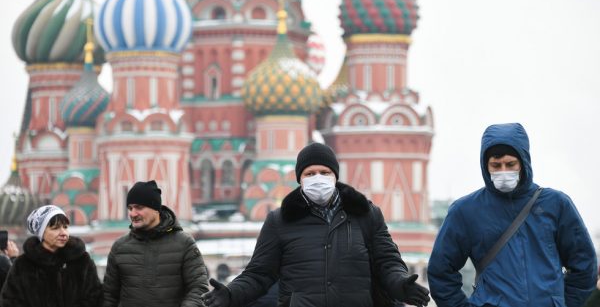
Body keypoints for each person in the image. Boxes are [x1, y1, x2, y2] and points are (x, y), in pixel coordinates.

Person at [201, 142, 430, 307]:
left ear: (335, 176)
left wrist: (402, 284)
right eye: (310, 173)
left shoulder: (366, 215)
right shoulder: (280, 221)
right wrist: (230, 294)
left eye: (324, 172)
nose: (318, 178)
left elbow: (387, 262)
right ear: (300, 179)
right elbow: (259, 274)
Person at [427, 123, 598, 307]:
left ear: (523, 162)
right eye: (495, 165)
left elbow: (584, 265)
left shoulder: (556, 204)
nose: (503, 171)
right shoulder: (465, 210)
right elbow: (440, 272)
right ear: (485, 166)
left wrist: (563, 303)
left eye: (510, 164)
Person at [102, 180, 209, 307]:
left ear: (155, 209)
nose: (132, 213)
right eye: (130, 208)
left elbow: (198, 289)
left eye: (139, 207)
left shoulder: (184, 243)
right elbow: (109, 296)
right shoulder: (120, 247)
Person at [0, 205, 102, 307]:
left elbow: (95, 296)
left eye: (65, 227)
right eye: (55, 228)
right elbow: (10, 301)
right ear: (42, 233)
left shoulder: (81, 260)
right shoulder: (23, 265)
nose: (63, 233)